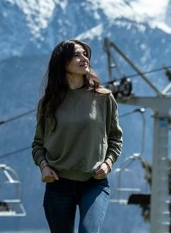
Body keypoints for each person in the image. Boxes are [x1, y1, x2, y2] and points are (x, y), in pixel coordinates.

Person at [31, 39, 123, 233]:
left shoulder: (104, 98)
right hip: (58, 185)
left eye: (85, 54)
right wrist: (44, 166)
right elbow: (38, 144)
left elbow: (115, 138)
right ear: (62, 63)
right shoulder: (47, 103)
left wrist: (108, 163)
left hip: (94, 183)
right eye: (76, 55)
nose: (84, 58)